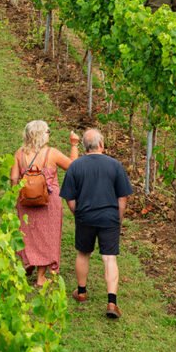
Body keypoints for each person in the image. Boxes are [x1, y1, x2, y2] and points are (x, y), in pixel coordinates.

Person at [59, 129, 134, 320]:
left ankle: (81, 291)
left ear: (85, 146)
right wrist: (118, 218)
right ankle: (112, 302)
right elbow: (123, 197)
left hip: (85, 216)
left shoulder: (76, 166)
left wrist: (78, 213)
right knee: (109, 258)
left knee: (83, 253)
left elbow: (69, 198)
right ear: (101, 144)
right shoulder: (115, 165)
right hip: (109, 217)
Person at [11, 121, 80, 287]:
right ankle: (41, 277)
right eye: (48, 131)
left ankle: (29, 262)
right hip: (48, 201)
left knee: (28, 233)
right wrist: (74, 145)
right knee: (47, 236)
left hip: (25, 200)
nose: (50, 133)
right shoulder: (51, 153)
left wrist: (16, 196)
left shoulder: (19, 154)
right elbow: (74, 167)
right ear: (40, 135)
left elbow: (13, 178)